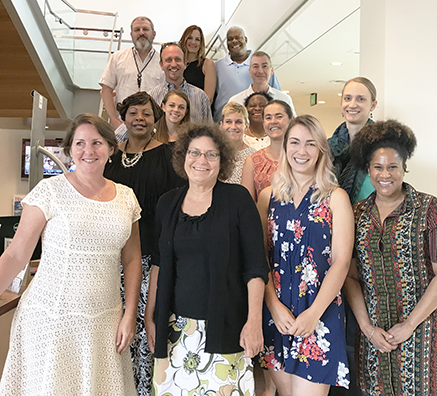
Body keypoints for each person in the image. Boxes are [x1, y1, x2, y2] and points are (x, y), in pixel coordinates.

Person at [0, 113, 142, 395]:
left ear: (111, 149)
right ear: (69, 150)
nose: (88, 151)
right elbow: (17, 255)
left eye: (97, 143)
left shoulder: (126, 196)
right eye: (80, 143)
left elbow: (132, 259)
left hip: (105, 322)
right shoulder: (49, 191)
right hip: (52, 320)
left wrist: (129, 314)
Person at [144, 124, 269, 395]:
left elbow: (255, 267)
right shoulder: (168, 203)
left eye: (211, 155)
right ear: (183, 157)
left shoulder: (238, 199)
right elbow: (158, 263)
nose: (202, 161)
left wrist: (254, 321)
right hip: (174, 330)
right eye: (195, 153)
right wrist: (150, 316)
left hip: (227, 327)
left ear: (222, 161)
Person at [345, 120, 437, 396]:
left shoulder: (430, 210)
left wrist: (409, 325)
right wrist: (366, 326)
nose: (385, 174)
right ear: (368, 170)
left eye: (392, 167)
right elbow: (349, 275)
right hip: (373, 332)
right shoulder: (357, 214)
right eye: (378, 167)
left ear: (404, 168)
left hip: (421, 331)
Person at [257, 115, 353, 396]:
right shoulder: (267, 197)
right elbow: (260, 257)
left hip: (319, 311)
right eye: (295, 143)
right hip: (278, 311)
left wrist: (314, 314)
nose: (302, 151)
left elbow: (342, 262)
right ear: (285, 147)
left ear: (321, 150)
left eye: (311, 144)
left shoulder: (336, 197)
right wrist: (273, 306)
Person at [103, 92, 185, 396]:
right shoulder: (109, 158)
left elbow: (176, 210)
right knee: (112, 329)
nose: (140, 118)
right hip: (109, 258)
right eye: (133, 112)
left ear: (156, 119)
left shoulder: (169, 156)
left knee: (141, 329)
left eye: (146, 113)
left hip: (151, 255)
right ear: (123, 117)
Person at [327, 76, 378, 396]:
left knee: (362, 331)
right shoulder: (330, 146)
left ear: (373, 104)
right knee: (339, 324)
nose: (352, 104)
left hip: (369, 249)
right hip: (333, 245)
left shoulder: (382, 145)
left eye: (360, 99)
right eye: (348, 98)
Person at [99, 16, 163, 131]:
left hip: (154, 127)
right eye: (137, 30)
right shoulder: (117, 57)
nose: (141, 33)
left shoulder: (163, 61)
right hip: (123, 126)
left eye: (145, 29)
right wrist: (114, 120)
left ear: (154, 34)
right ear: (131, 34)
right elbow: (106, 89)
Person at [214, 26, 281, 122]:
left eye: (238, 37)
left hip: (258, 123)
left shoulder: (261, 66)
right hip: (226, 124)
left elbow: (276, 95)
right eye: (230, 39)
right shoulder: (217, 66)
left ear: (245, 39)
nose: (234, 41)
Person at [149, 42, 212, 125]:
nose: (174, 64)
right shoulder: (152, 97)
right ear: (161, 65)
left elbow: (209, 132)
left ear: (185, 64)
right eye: (168, 60)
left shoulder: (201, 97)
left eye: (178, 59)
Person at [241, 100, 293, 201]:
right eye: (268, 118)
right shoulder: (252, 161)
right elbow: (246, 205)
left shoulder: (301, 158)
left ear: (291, 120)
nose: (273, 121)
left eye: (279, 116)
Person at [229, 51, 296, 116]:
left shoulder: (284, 99)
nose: (260, 71)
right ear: (250, 72)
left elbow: (292, 125)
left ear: (271, 71)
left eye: (264, 66)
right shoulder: (236, 101)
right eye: (255, 66)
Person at [220, 101, 256, 184]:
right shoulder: (213, 152)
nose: (233, 126)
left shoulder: (254, 155)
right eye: (228, 122)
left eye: (238, 122)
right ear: (221, 125)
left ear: (246, 126)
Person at [180, 25, 216, 104]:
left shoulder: (207, 64)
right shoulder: (178, 64)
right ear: (184, 39)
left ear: (201, 43)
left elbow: (208, 98)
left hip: (199, 113)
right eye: (190, 38)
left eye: (197, 39)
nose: (193, 42)